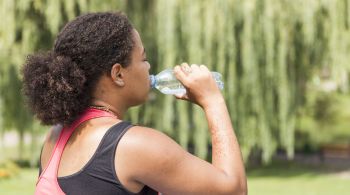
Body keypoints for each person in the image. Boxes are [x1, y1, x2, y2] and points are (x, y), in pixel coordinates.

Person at [22, 12, 247, 195]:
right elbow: (234, 190)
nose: (149, 67)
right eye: (143, 58)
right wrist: (213, 101)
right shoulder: (134, 145)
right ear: (118, 74)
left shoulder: (56, 135)